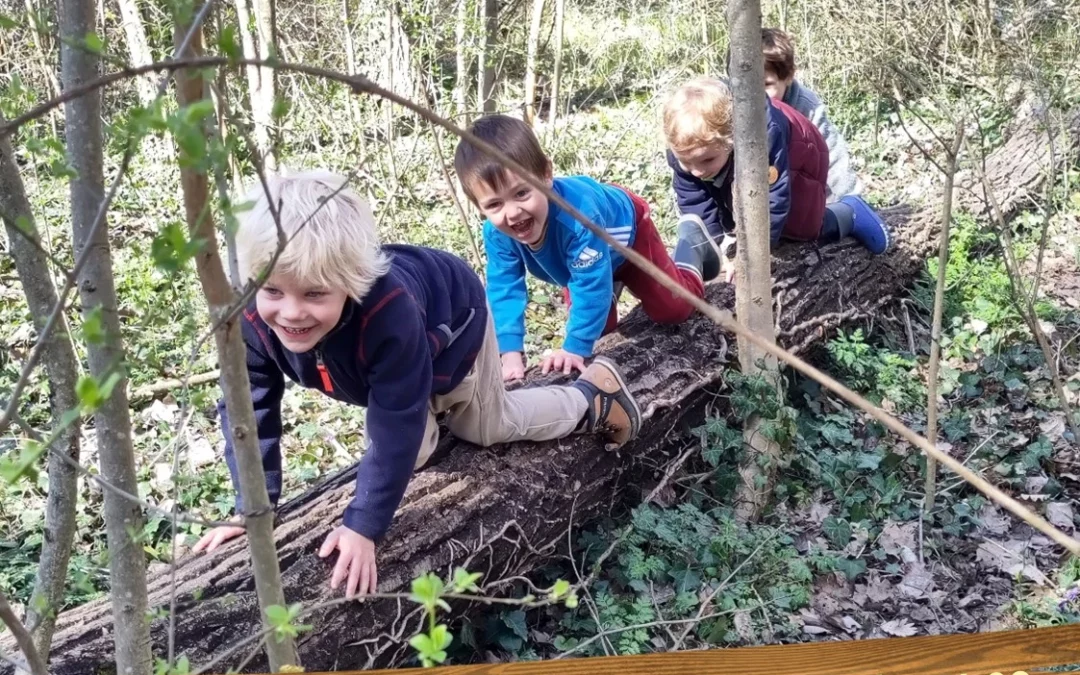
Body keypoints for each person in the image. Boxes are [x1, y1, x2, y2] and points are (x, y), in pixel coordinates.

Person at [191, 170, 642, 598]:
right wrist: (252, 508)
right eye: (273, 291)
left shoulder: (387, 314)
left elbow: (397, 414)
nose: (290, 313)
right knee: (417, 453)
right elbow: (247, 412)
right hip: (396, 367)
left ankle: (593, 398)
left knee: (485, 427)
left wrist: (363, 525)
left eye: (313, 294)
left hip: (453, 324)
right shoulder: (250, 319)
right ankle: (441, 406)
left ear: (350, 284)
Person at [454, 114, 706, 383]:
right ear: (479, 207)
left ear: (546, 174)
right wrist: (510, 353)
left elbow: (589, 284)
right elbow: (503, 288)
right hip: (583, 264)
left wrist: (573, 349)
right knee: (599, 330)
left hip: (628, 235)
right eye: (494, 205)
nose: (513, 213)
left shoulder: (579, 216)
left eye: (522, 193)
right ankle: (608, 283)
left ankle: (692, 246)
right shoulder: (498, 234)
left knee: (674, 309)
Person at [663, 76, 891, 284]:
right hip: (739, 161)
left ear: (731, 139)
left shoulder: (760, 139)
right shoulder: (688, 148)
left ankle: (849, 212)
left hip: (799, 152)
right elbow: (697, 206)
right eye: (686, 162)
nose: (696, 171)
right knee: (734, 212)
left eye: (707, 160)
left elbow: (773, 200)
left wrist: (751, 260)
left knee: (802, 227)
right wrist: (715, 252)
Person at [759, 27, 862, 201]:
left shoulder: (807, 108)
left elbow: (833, 160)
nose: (757, 95)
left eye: (767, 84)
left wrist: (850, 202)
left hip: (796, 191)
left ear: (789, 77)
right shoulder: (725, 102)